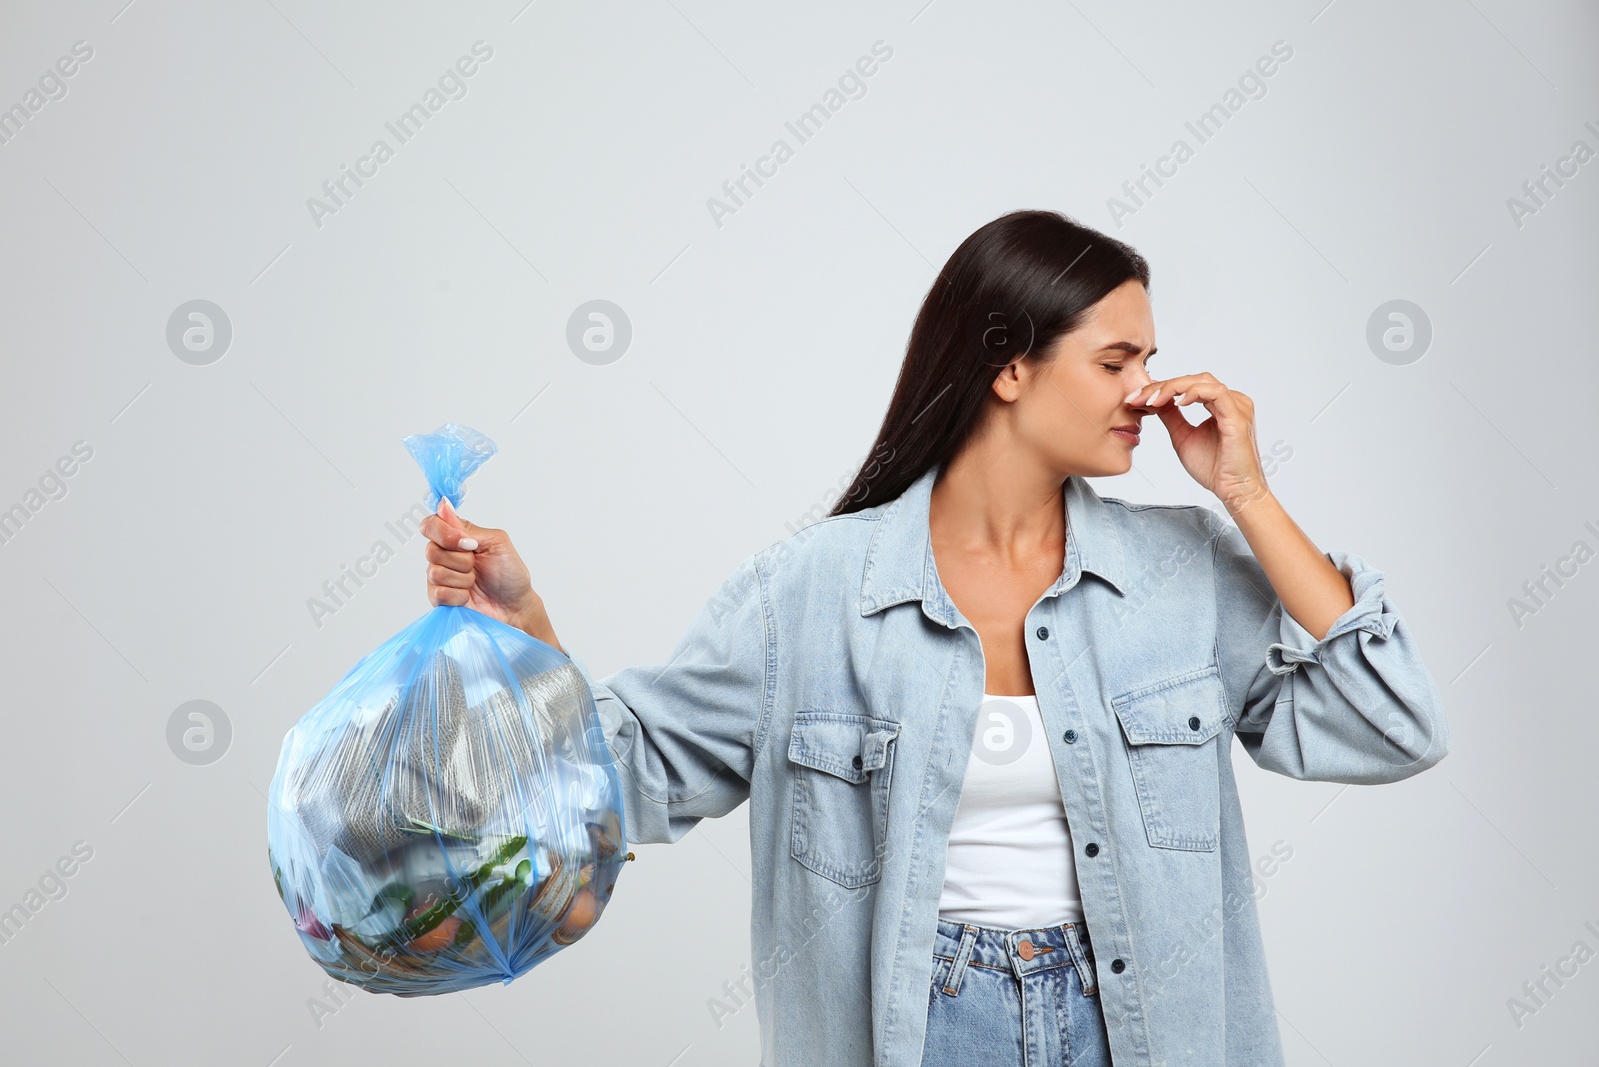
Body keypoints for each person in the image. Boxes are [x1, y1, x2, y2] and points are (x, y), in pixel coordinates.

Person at [419, 209, 1450, 1067]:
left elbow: (1392, 722)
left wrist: (1246, 493)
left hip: (1136, 1029)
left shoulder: (1180, 575)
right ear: (1009, 367)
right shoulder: (813, 590)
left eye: (1149, 358)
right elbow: (621, 773)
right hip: (918, 1029)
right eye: (1114, 359)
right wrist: (528, 629)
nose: (1147, 390)